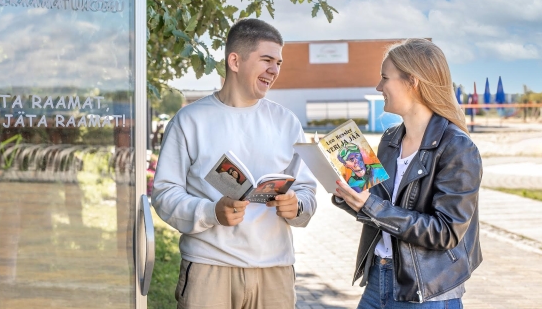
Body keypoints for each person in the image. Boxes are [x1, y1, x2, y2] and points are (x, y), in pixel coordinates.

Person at [152, 18, 317, 309]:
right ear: (235, 61)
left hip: (275, 270)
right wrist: (210, 211)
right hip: (208, 268)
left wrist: (298, 205)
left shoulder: (286, 122)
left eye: (278, 62)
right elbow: (164, 195)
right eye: (266, 59)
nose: (275, 70)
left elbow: (305, 189)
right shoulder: (190, 121)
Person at [332, 38, 482, 308]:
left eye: (384, 78)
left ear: (412, 81)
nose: (378, 87)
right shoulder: (390, 139)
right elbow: (376, 208)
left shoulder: (457, 146)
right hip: (377, 278)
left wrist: (372, 206)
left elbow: (445, 232)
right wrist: (348, 195)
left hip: (426, 291)